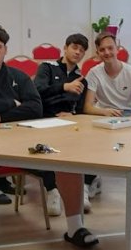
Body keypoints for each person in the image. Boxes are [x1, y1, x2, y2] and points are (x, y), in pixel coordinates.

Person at [0, 24, 98, 250]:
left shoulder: (17, 76)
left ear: (5, 49)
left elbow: (35, 107)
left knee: (67, 148)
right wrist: (11, 103)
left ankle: (75, 227)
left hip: (18, 135)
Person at [83, 32, 131, 199]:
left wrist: (129, 120)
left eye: (110, 48)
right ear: (98, 52)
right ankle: (93, 178)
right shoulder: (94, 73)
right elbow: (88, 107)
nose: (107, 52)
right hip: (104, 114)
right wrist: (104, 112)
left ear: (117, 49)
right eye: (102, 49)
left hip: (130, 114)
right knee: (87, 133)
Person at [33, 33, 95, 215]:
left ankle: (83, 188)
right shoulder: (47, 67)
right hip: (44, 119)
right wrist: (64, 87)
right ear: (65, 48)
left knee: (95, 143)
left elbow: (82, 109)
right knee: (44, 149)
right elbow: (37, 90)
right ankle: (52, 190)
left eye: (82, 50)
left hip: (69, 122)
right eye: (74, 47)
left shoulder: (82, 80)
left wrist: (72, 115)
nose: (77, 52)